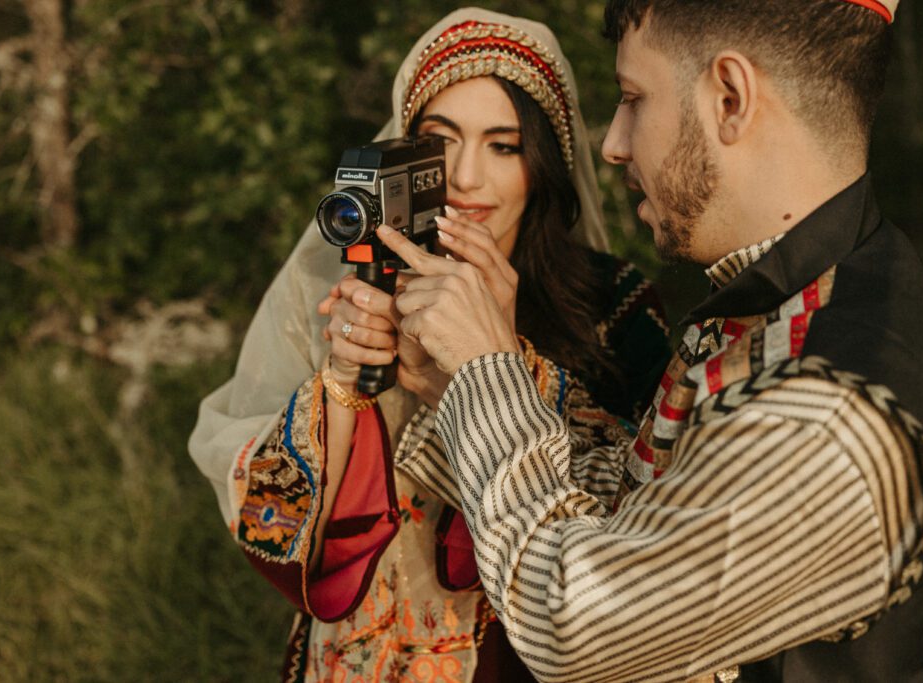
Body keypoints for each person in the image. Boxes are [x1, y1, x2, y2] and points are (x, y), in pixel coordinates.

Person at [369, 0, 923, 681]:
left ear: (730, 98)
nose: (614, 144)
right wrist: (452, 387)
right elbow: (640, 514)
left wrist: (487, 370)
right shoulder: (798, 295)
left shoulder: (827, 412)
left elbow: (573, 623)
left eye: (633, 99)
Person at [188, 8, 671, 681]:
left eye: (504, 147)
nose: (466, 177)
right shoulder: (341, 287)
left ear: (543, 164)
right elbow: (274, 520)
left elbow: (649, 510)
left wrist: (499, 360)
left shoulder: (613, 304)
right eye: (440, 141)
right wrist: (342, 385)